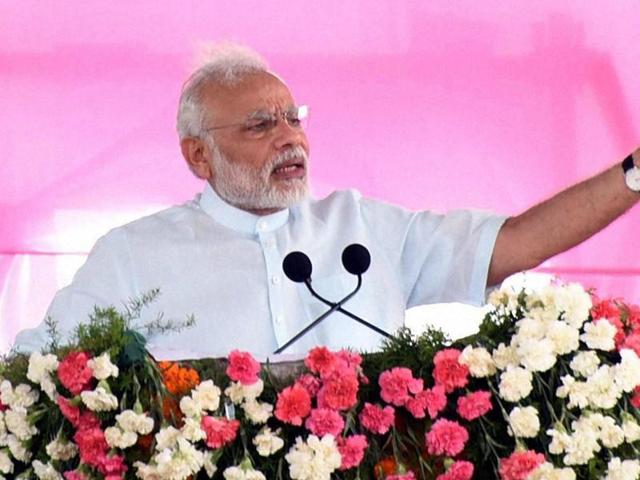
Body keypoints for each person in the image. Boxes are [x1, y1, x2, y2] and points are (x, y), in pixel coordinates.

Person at [12, 44, 640, 360]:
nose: (290, 136)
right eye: (260, 125)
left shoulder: (363, 227)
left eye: (293, 117)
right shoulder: (134, 255)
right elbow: (36, 375)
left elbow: (521, 242)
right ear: (198, 156)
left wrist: (634, 174)